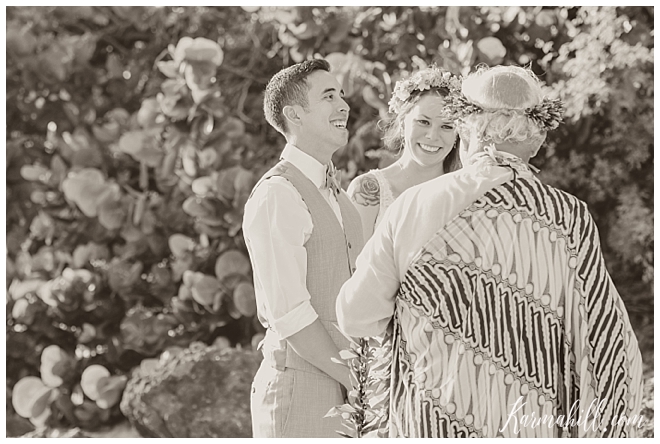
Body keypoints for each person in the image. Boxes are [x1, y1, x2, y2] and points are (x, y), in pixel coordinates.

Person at [336, 65, 643, 438]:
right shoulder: (568, 218)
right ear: (537, 137)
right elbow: (608, 344)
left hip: (432, 426)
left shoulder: (416, 205)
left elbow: (356, 315)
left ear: (466, 128)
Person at [242, 59, 364, 438]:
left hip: (346, 390)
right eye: (328, 96)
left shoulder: (342, 198)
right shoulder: (278, 194)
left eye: (342, 95)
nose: (343, 105)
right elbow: (290, 314)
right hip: (299, 389)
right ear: (294, 114)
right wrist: (357, 380)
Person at [347, 66, 462, 241]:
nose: (432, 136)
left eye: (446, 126)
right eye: (423, 122)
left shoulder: (465, 193)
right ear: (402, 124)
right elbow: (354, 266)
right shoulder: (368, 190)